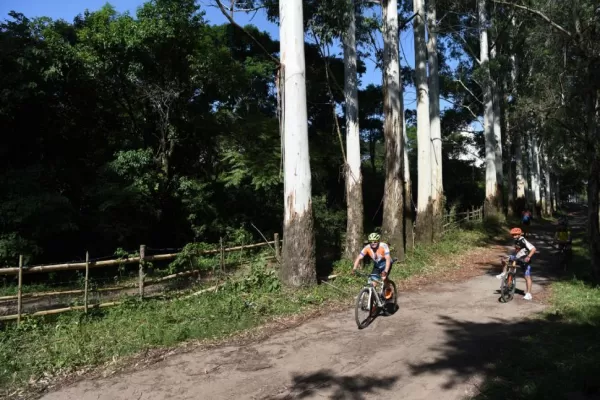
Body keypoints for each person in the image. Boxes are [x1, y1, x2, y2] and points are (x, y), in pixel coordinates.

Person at [496, 227, 536, 300]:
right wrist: (510, 255)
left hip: (524, 259)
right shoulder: (516, 240)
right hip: (517, 257)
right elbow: (517, 250)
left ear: (520, 234)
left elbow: (533, 249)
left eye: (515, 234)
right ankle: (504, 273)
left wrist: (528, 257)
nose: (514, 236)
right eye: (512, 235)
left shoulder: (523, 240)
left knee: (527, 276)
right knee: (503, 259)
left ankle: (528, 294)